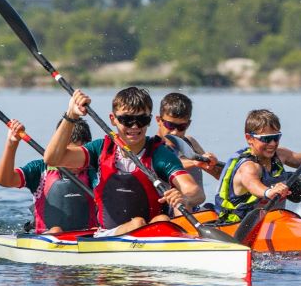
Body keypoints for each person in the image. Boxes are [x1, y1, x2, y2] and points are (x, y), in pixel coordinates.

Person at [44, 86, 205, 235]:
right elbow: (52, 158)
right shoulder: (100, 149)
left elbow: (195, 191)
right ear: (113, 119)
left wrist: (184, 198)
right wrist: (71, 116)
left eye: (142, 120)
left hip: (153, 232)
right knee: (138, 223)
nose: (135, 126)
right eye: (127, 119)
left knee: (162, 220)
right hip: (108, 236)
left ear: (150, 119)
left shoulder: (159, 154)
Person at [214, 109, 301, 223]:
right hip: (237, 226)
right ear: (249, 138)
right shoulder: (248, 167)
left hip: (274, 222)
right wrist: (268, 192)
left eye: (276, 137)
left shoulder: (281, 155)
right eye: (266, 139)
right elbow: (252, 184)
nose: (272, 144)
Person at [0, 118, 96, 234]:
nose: (74, 163)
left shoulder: (94, 171)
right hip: (48, 237)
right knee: (56, 230)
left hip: (89, 237)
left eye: (77, 157)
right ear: (59, 149)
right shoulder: (40, 169)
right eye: (68, 155)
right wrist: (12, 144)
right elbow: (5, 180)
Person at [155, 92, 221, 193]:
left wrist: (212, 163)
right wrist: (195, 162)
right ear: (159, 120)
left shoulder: (191, 142)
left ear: (188, 124)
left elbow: (219, 175)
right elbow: (167, 164)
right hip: (168, 202)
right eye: (170, 125)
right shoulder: (152, 145)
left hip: (196, 202)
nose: (175, 132)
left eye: (181, 127)